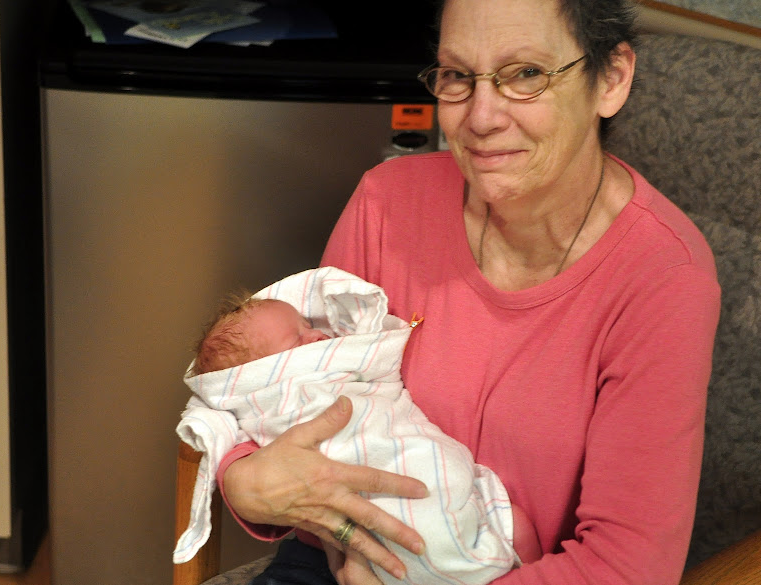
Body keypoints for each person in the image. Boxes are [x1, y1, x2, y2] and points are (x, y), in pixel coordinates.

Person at [217, 1, 722, 584]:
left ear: (611, 79)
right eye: (458, 75)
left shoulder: (663, 278)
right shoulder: (387, 203)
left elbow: (626, 567)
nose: (480, 117)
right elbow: (268, 384)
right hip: (336, 559)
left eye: (526, 74)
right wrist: (241, 475)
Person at [174, 267, 541, 585]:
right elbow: (221, 433)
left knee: (516, 527)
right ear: (258, 374)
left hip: (442, 490)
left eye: (308, 326)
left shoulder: (347, 357)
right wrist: (241, 477)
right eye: (297, 339)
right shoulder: (265, 396)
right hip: (334, 547)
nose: (318, 335)